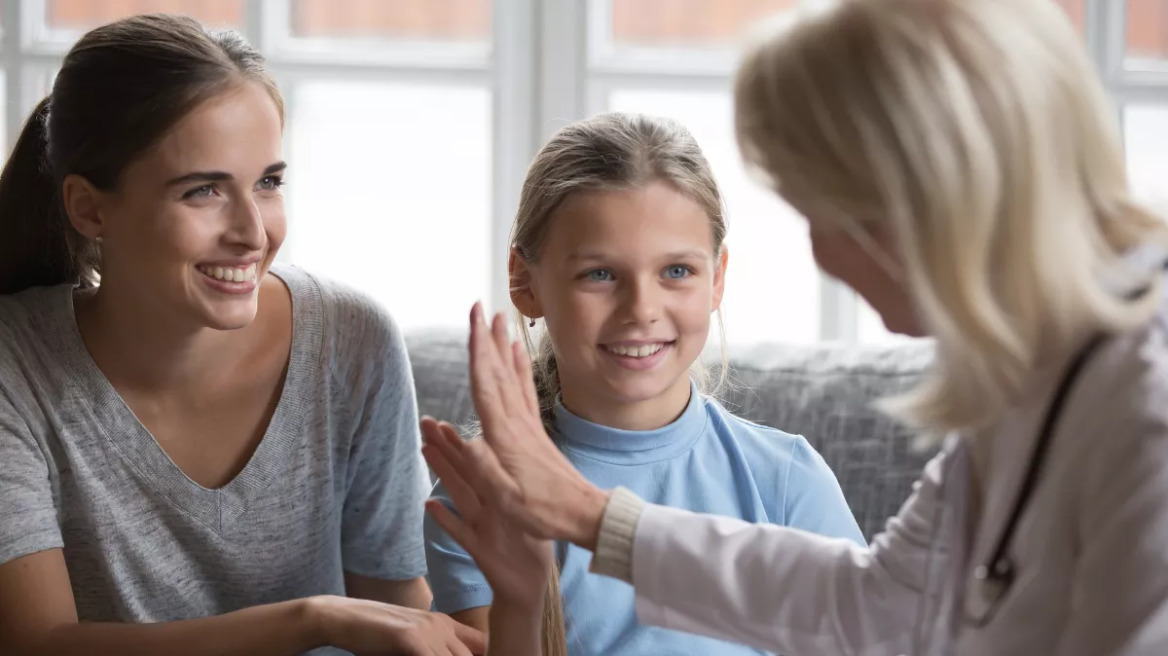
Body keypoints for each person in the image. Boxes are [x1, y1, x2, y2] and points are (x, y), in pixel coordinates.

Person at [419, 0, 1168, 654]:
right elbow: (876, 609)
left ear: (932, 195)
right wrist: (588, 521)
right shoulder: (1037, 380)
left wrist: (586, 517)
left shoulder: (1144, 406)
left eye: (824, 206)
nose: (822, 252)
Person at [0, 14, 482, 656]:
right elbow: (37, 643)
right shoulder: (16, 365)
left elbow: (397, 608)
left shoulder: (352, 338)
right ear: (89, 207)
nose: (254, 233)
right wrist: (311, 620)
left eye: (268, 182)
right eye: (202, 191)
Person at [423, 112, 864, 656]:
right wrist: (523, 604)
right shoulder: (481, 500)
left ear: (717, 278)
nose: (642, 310)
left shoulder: (786, 482)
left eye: (676, 271)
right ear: (524, 280)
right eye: (600, 274)